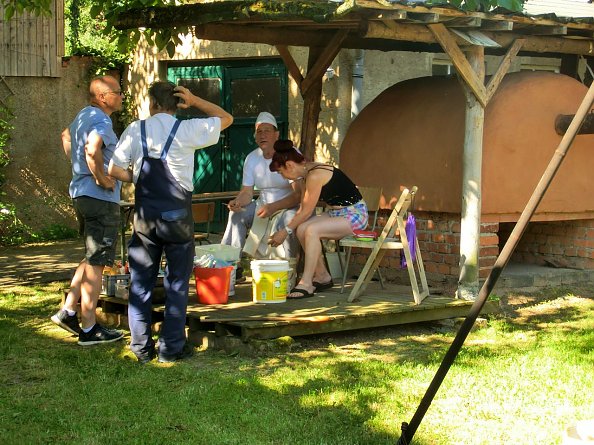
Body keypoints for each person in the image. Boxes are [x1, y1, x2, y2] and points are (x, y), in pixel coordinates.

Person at [108, 81, 233, 363]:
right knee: (177, 282)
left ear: (151, 103)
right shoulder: (187, 130)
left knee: (140, 282)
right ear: (177, 104)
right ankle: (171, 348)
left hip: (145, 219)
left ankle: (141, 348)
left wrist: (137, 178)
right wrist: (196, 100)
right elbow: (227, 119)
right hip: (177, 219)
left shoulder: (135, 130)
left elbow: (113, 168)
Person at [51, 75, 125, 346]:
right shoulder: (102, 120)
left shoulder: (83, 115)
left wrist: (78, 168)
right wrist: (100, 177)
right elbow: (93, 149)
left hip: (81, 195)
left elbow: (66, 137)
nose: (121, 96)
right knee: (98, 263)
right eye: (117, 92)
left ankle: (68, 310)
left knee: (91, 255)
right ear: (103, 96)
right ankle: (89, 328)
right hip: (99, 197)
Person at [268, 139, 369, 299]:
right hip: (336, 213)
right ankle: (322, 276)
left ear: (290, 166)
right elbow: (303, 208)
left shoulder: (314, 175)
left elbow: (306, 211)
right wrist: (290, 228)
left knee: (312, 230)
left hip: (355, 215)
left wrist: (284, 231)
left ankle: (307, 283)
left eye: (281, 172)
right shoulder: (306, 174)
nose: (282, 176)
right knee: (302, 229)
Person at [221, 112, 301, 269]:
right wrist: (237, 202)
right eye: (259, 131)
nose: (263, 135)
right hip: (263, 206)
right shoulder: (252, 158)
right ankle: (231, 264)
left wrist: (274, 207)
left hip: (288, 206)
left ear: (276, 134)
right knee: (236, 215)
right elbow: (247, 192)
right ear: (255, 136)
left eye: (267, 131)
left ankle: (289, 269)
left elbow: (298, 195)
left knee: (289, 219)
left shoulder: (290, 154)